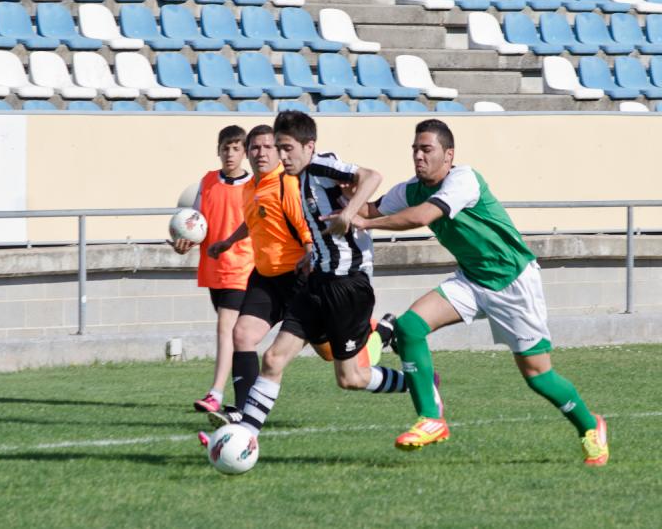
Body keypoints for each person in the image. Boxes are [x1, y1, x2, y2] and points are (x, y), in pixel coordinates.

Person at [346, 118, 608, 466]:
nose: (419, 157)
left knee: (538, 376)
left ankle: (591, 427)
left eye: (427, 150)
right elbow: (368, 208)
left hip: (513, 281)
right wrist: (340, 186)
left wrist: (365, 222)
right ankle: (431, 419)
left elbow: (422, 217)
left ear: (448, 154)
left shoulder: (464, 179)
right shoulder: (408, 189)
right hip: (471, 279)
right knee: (410, 327)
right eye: (415, 150)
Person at [205, 123, 403, 430]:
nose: (265, 154)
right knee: (250, 341)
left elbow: (312, 222)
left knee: (339, 364)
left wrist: (319, 244)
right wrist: (229, 242)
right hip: (270, 278)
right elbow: (255, 222)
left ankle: (383, 337)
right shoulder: (253, 187)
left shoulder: (290, 183)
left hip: (305, 278)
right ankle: (244, 421)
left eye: (273, 147)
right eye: (255, 148)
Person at [171, 125, 255, 415]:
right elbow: (196, 223)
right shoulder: (207, 182)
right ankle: (247, 396)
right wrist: (184, 244)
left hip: (242, 266)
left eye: (236, 148)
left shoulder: (253, 185)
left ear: (244, 152)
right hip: (213, 269)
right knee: (238, 335)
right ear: (218, 150)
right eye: (225, 148)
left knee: (226, 328)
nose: (230, 154)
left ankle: (215, 393)